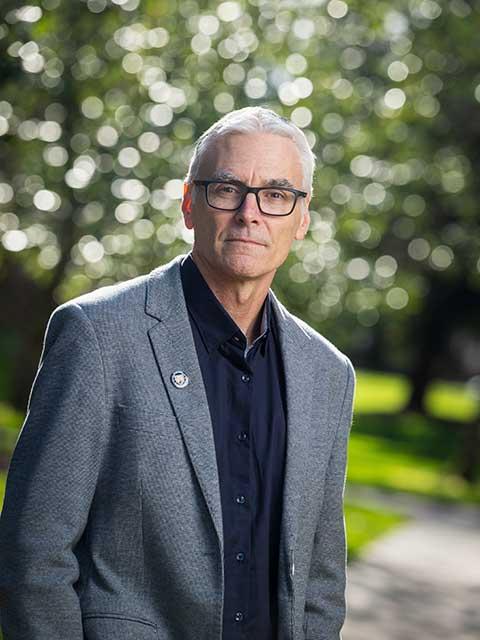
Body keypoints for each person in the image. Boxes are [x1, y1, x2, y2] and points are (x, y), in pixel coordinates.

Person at [0, 106, 355, 640]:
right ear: (190, 203)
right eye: (227, 189)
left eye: (277, 195)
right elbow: (34, 552)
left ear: (302, 219)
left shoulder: (328, 374)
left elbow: (321, 580)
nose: (250, 213)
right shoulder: (97, 336)